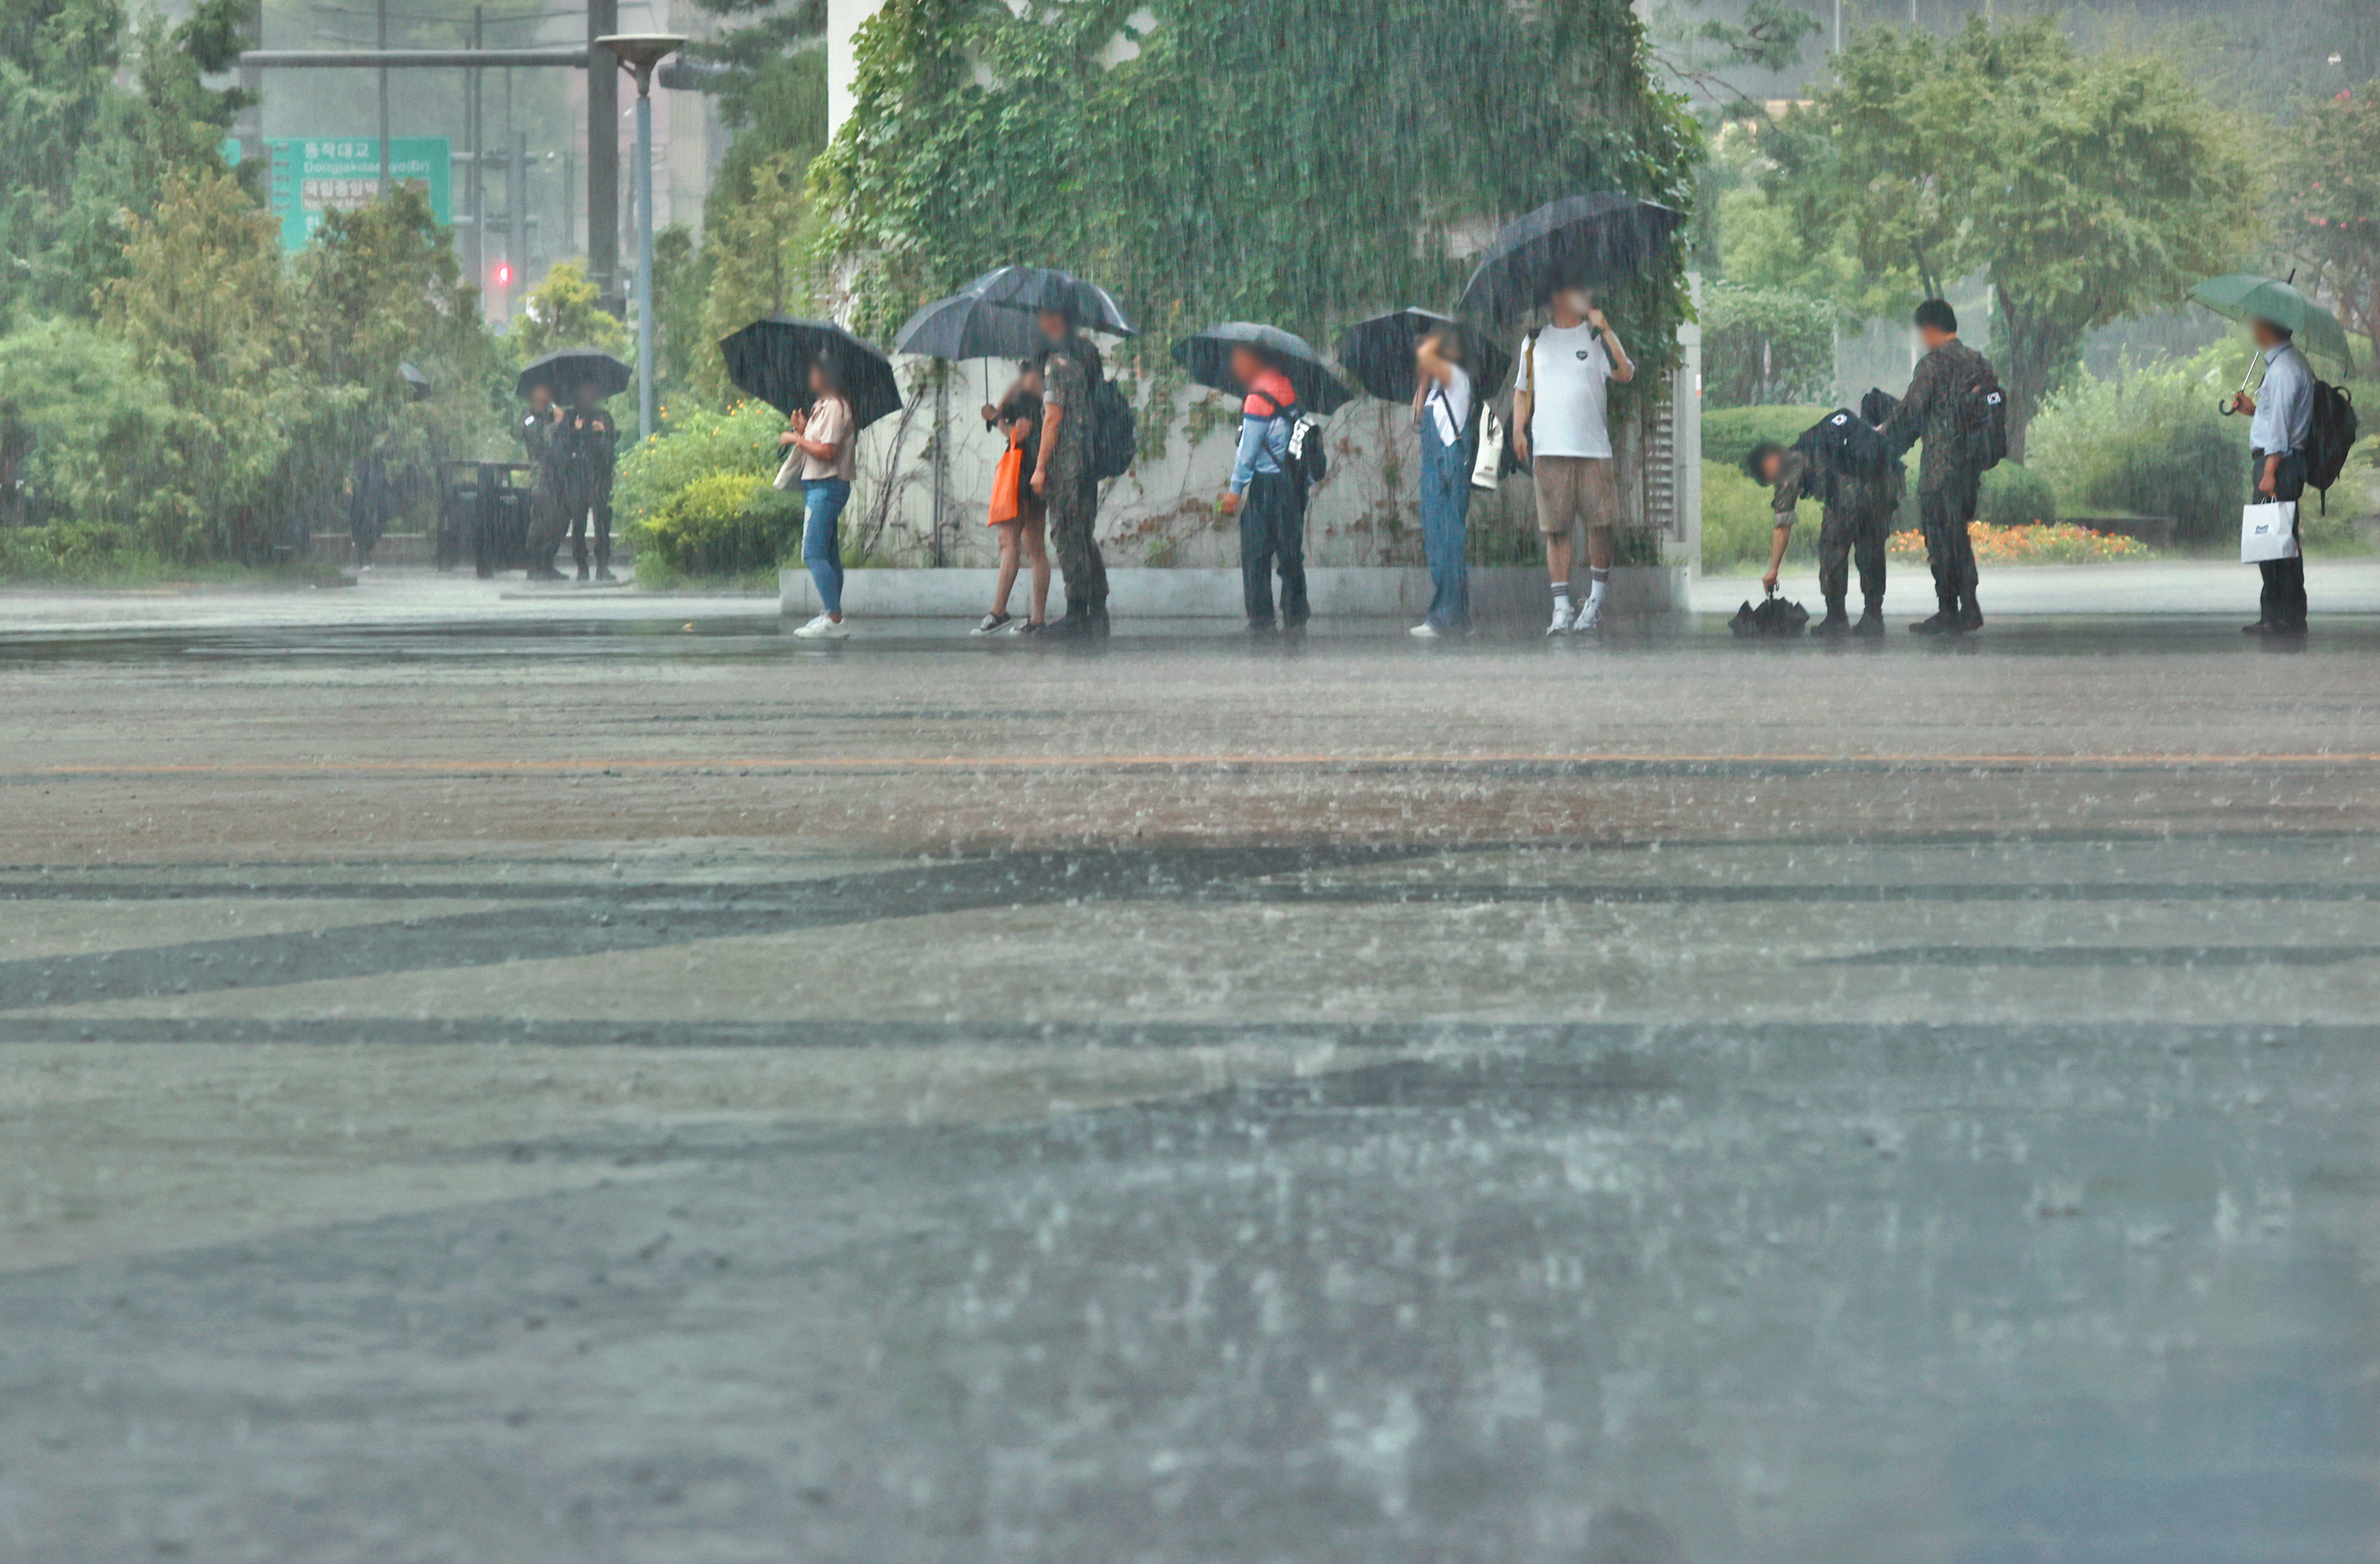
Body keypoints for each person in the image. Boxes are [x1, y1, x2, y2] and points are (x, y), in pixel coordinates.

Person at [1512, 281, 1634, 635]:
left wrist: (1606, 329)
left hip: (1593, 449)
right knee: (1556, 530)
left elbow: (1625, 373)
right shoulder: (1533, 343)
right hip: (1549, 449)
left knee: (1600, 525)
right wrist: (1519, 429)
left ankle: (1595, 601)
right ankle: (1561, 607)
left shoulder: (1596, 339)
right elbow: (1522, 392)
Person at [1879, 299, 1993, 634]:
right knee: (1958, 535)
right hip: (1969, 469)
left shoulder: (1934, 365)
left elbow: (1911, 414)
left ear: (1930, 329)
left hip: (1940, 469)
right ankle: (1969, 607)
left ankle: (1947, 609)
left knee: (1941, 538)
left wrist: (1882, 443)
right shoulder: (1978, 363)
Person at [1744, 424, 1900, 637]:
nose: (1771, 481)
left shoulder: (1790, 462)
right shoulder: (1816, 446)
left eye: (1766, 475)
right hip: (1880, 489)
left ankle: (1836, 619)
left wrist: (1773, 570)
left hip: (1847, 497)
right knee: (1870, 551)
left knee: (1832, 550)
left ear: (1770, 460)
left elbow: (1783, 523)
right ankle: (1873, 617)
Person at [1031, 286, 1110, 637]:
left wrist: (1040, 468)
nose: (1040, 322)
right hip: (1090, 456)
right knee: (1083, 531)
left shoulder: (1058, 360)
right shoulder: (1088, 353)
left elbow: (1053, 418)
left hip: (1067, 462)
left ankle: (1076, 611)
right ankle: (1097, 602)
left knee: (1066, 531)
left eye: (1043, 315)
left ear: (1056, 317)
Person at [2230, 314, 2315, 636]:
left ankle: (2278, 617)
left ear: (2269, 330)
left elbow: (2280, 427)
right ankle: (2288, 614)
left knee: (2272, 543)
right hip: (2283, 462)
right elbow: (2277, 415)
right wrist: (2252, 410)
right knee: (2282, 542)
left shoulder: (2283, 369)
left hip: (2278, 465)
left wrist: (2269, 472)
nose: (2254, 329)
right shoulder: (2288, 364)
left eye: (2257, 324)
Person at [1219, 343, 1308, 632]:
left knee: (1255, 554)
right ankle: (1296, 612)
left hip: (1267, 485)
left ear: (1256, 360)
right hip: (1292, 483)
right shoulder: (1287, 387)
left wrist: (1235, 492)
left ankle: (1261, 618)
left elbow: (1248, 452)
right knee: (1290, 552)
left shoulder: (1257, 398)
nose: (1235, 366)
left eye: (1239, 358)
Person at [778, 354, 856, 640]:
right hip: (820, 485)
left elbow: (828, 452)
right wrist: (802, 429)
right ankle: (831, 614)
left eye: (814, 371)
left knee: (813, 553)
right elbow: (819, 444)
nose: (810, 376)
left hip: (827, 486)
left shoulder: (835, 407)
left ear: (826, 376)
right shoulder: (822, 407)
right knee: (829, 553)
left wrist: (794, 439)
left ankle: (834, 618)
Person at [1410, 324, 1474, 639]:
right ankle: (1457, 614)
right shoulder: (1436, 387)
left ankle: (1443, 616)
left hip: (1448, 466)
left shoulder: (1454, 376)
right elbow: (1417, 417)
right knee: (1439, 542)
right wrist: (1422, 386)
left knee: (1447, 542)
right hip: (1435, 468)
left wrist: (1428, 360)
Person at [976, 360, 1049, 635]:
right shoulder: (1044, 397)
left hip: (1020, 473)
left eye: (1025, 372)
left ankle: (999, 612)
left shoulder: (1028, 397)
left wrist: (996, 419)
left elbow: (1019, 435)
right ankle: (1037, 620)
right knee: (1035, 548)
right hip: (1036, 473)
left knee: (1009, 543)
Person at [561, 384, 619, 582]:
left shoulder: (603, 417)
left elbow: (611, 445)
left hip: (600, 479)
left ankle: (603, 566)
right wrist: (573, 430)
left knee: (603, 523)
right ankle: (581, 567)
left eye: (590, 392)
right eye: (582, 392)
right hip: (577, 479)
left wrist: (602, 432)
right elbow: (561, 445)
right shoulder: (569, 418)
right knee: (578, 523)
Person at [515, 383, 569, 581]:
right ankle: (534, 564)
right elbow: (539, 442)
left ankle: (548, 562)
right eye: (543, 389)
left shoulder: (552, 414)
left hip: (560, 475)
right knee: (542, 520)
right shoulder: (528, 417)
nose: (548, 392)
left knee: (561, 519)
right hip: (542, 476)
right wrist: (556, 424)